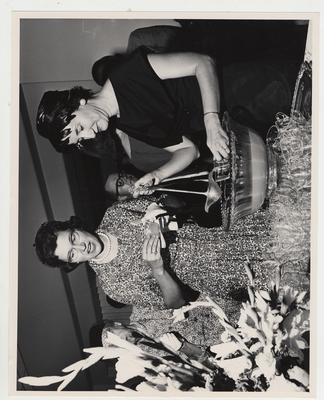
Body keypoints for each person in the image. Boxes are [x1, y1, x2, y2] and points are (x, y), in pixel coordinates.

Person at [36, 48, 230, 195]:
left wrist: (211, 119)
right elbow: (189, 150)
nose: (90, 135)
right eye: (80, 139)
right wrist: (157, 175)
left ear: (79, 103)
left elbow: (203, 63)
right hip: (232, 124)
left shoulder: (125, 75)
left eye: (79, 128)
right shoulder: (125, 124)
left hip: (239, 88)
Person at [35, 197, 276, 311]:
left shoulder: (115, 213)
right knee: (282, 276)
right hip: (217, 273)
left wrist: (159, 210)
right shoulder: (113, 285)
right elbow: (176, 303)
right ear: (72, 263)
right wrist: (157, 269)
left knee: (284, 234)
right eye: (72, 254)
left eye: (74, 239)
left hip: (217, 232)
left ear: (75, 227)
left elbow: (175, 203)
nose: (81, 248)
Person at [105, 170, 223, 228]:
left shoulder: (150, 173)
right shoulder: (144, 204)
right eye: (120, 183)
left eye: (121, 174)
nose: (125, 177)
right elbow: (178, 205)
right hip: (214, 214)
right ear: (121, 198)